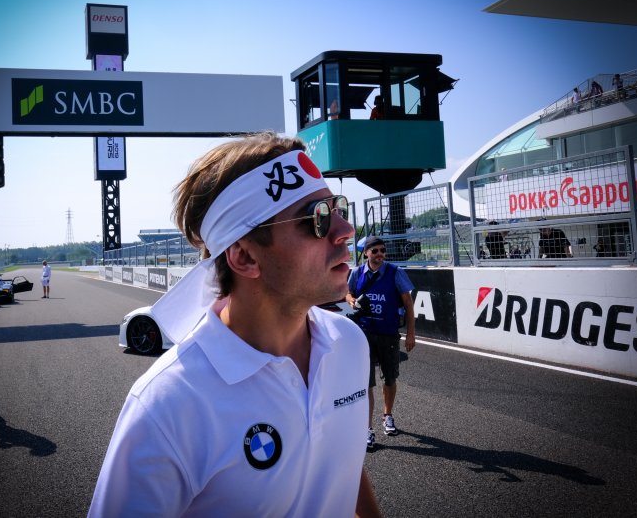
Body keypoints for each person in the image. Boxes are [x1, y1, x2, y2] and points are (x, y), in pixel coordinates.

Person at [89, 134, 381, 517]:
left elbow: (339, 459)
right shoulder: (168, 405)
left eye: (338, 208)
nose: (345, 230)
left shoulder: (348, 342)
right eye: (318, 218)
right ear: (244, 258)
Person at [346, 236, 415, 451]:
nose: (379, 254)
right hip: (364, 334)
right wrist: (351, 301)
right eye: (375, 250)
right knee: (367, 383)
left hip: (388, 334)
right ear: (366, 252)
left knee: (390, 377)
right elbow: (348, 293)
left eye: (382, 250)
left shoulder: (395, 272)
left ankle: (387, 415)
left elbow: (408, 303)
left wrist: (411, 334)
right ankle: (367, 429)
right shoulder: (357, 272)